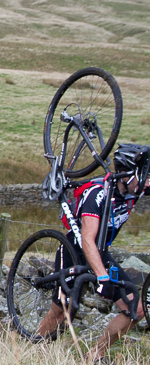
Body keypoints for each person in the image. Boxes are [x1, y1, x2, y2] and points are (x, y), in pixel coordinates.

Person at [37, 143, 150, 362]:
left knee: (136, 309)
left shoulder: (134, 189)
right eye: (144, 176)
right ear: (127, 174)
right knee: (61, 311)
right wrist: (102, 276)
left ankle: (95, 355)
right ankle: (31, 348)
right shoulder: (97, 194)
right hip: (75, 250)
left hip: (101, 253)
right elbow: (87, 239)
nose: (147, 182)